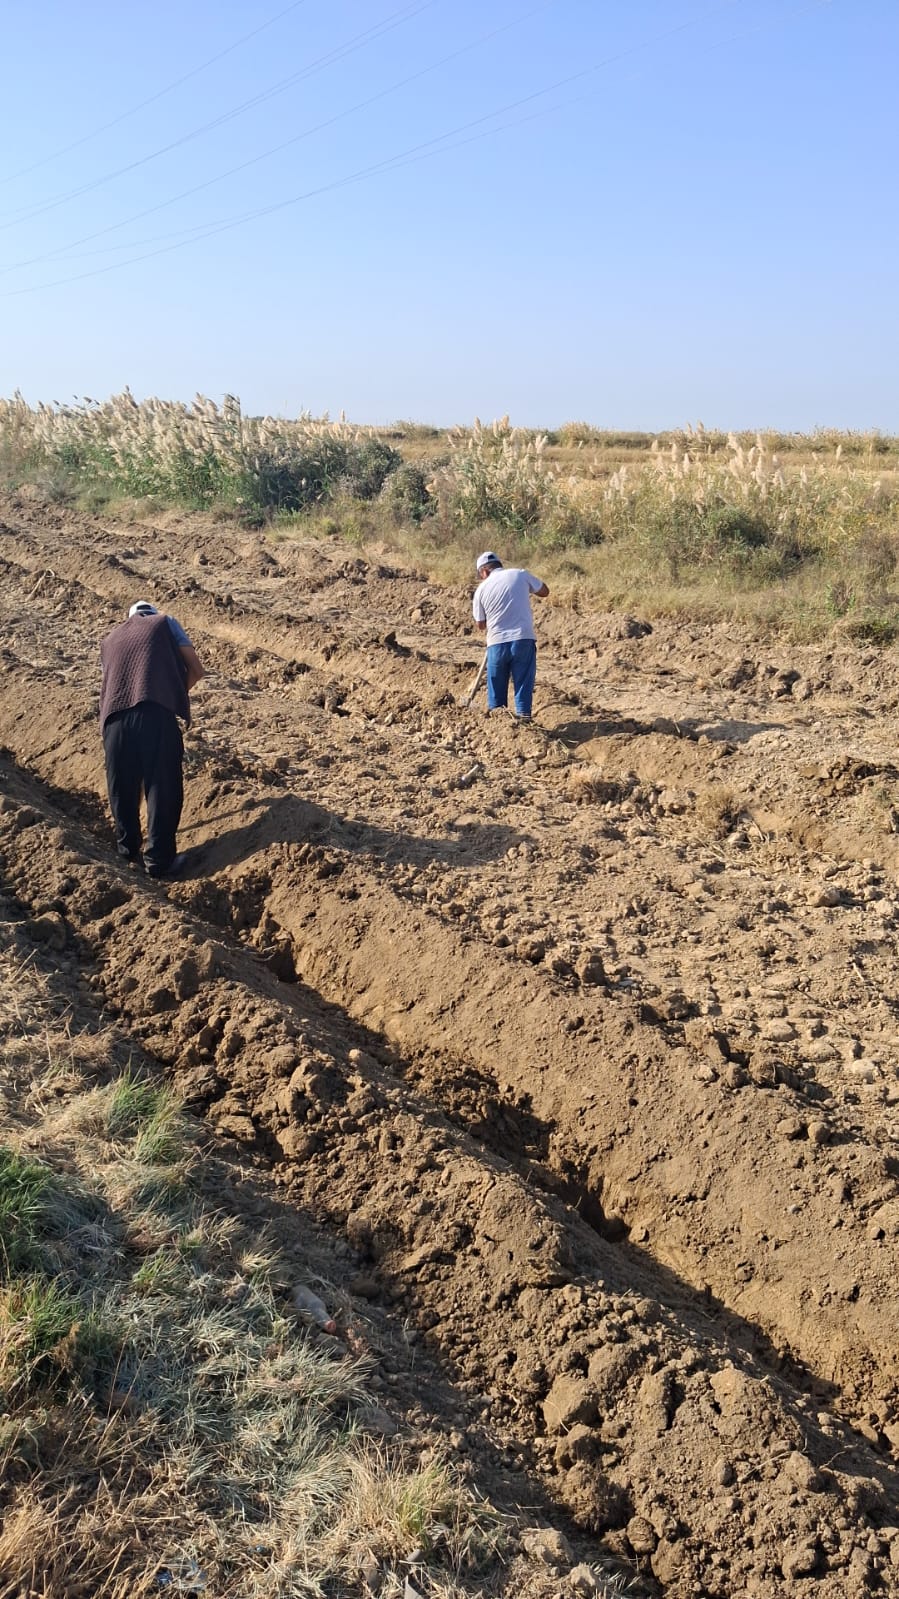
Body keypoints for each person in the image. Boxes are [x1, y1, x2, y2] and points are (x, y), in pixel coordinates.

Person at [99, 600, 204, 878]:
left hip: (113, 721)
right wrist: (171, 694)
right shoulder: (164, 622)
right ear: (150, 614)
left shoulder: (109, 640)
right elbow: (196, 670)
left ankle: (127, 851)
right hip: (155, 714)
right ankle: (159, 861)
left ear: (129, 618)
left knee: (122, 785)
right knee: (162, 786)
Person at [471, 552, 549, 721]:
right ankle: (524, 720)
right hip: (523, 639)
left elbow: (481, 624)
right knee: (523, 684)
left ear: (484, 571)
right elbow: (544, 591)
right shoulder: (520, 574)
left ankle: (500, 723)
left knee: (496, 692)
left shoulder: (481, 590)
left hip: (496, 643)